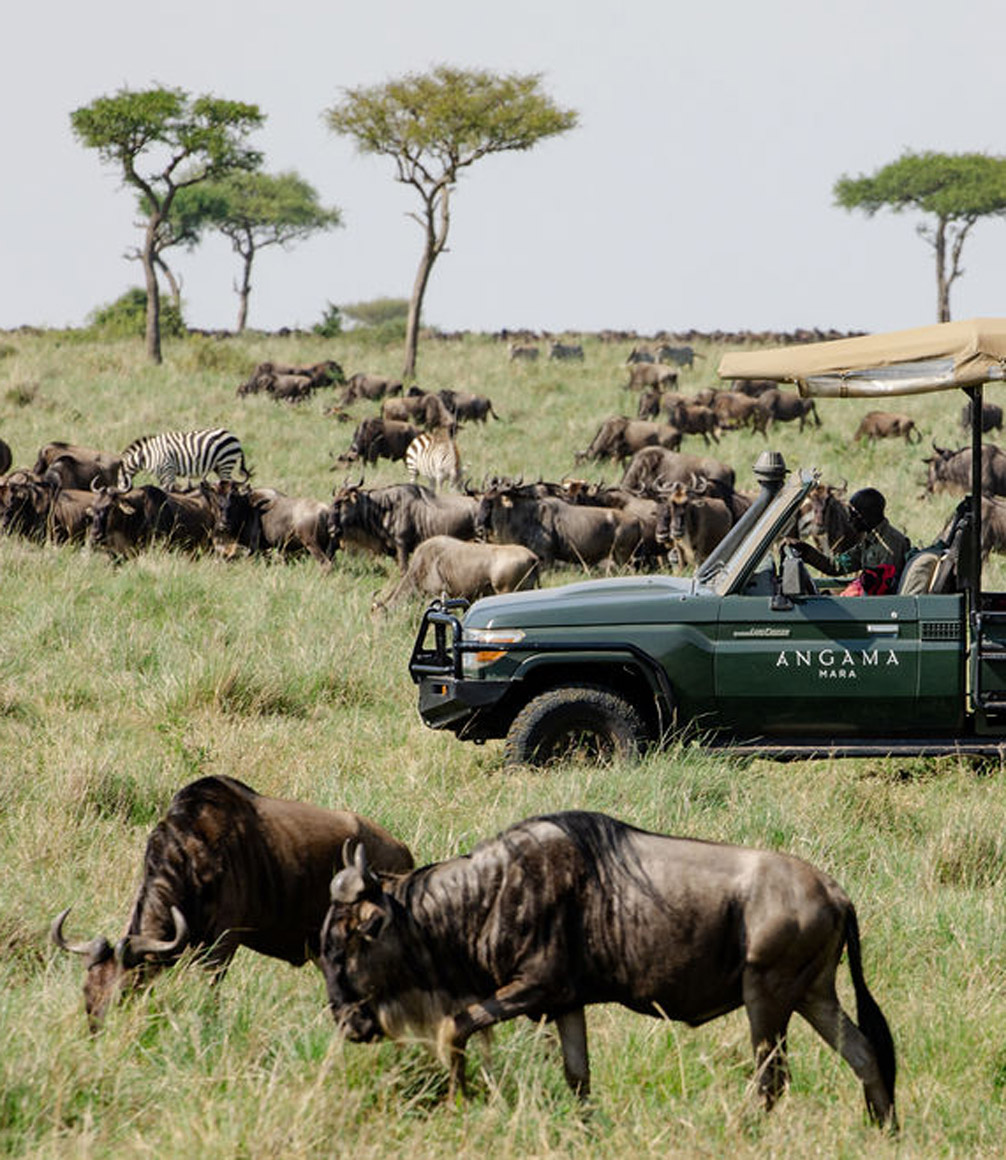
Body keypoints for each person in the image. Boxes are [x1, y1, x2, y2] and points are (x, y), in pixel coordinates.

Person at [788, 487, 911, 594]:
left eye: (853, 514)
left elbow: (883, 590)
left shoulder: (890, 545)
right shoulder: (871, 541)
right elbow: (836, 566)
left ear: (866, 516)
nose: (849, 520)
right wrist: (807, 552)